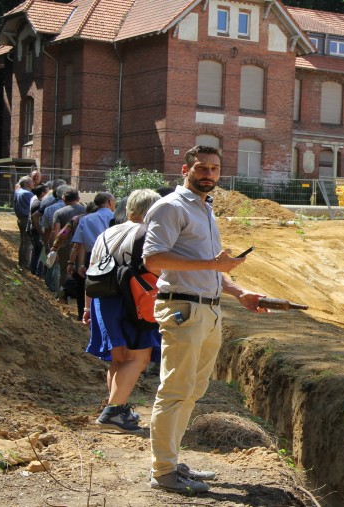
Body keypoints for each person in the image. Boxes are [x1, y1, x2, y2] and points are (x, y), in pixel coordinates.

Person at [143, 145, 264, 494]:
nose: (207, 174)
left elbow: (210, 266)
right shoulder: (169, 207)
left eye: (213, 168)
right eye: (201, 168)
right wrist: (214, 266)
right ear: (185, 169)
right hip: (182, 309)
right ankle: (163, 472)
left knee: (193, 390)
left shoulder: (205, 209)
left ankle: (172, 461)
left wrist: (239, 292)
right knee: (175, 390)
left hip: (208, 309)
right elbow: (153, 260)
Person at [84, 189, 162, 434]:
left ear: (130, 210)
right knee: (139, 357)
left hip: (103, 300)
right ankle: (113, 411)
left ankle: (118, 408)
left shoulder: (107, 233)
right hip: (133, 301)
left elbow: (91, 271)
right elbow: (156, 270)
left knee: (118, 358)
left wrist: (87, 306)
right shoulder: (148, 233)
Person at [14, 176, 34, 268]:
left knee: (23, 241)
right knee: (28, 242)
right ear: (26, 184)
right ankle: (25, 264)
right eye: (31, 182)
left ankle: (21, 262)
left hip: (20, 218)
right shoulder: (28, 194)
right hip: (26, 219)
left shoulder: (18, 192)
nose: (33, 183)